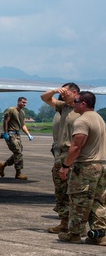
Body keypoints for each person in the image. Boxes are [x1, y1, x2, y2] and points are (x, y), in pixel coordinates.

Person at [56, 91, 106, 244]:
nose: (73, 103)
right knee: (98, 201)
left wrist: (65, 166)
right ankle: (100, 234)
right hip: (101, 164)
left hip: (86, 166)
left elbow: (77, 146)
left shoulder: (82, 121)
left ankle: (74, 233)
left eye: (76, 101)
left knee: (79, 198)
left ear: (83, 103)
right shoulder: (99, 118)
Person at [40, 83, 80, 233]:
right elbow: (44, 97)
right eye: (62, 93)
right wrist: (55, 90)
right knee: (60, 189)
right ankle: (64, 221)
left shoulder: (81, 109)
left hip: (74, 152)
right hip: (61, 153)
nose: (63, 95)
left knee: (76, 191)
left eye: (66, 92)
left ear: (75, 92)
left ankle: (77, 224)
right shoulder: (63, 107)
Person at [0, 96, 31, 179]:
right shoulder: (11, 110)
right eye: (23, 102)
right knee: (18, 153)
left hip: (17, 134)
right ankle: (18, 173)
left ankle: (3, 165)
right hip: (10, 134)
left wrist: (28, 134)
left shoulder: (22, 113)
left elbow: (23, 125)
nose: (24, 104)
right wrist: (5, 133)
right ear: (18, 102)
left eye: (25, 103)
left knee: (18, 153)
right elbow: (5, 121)